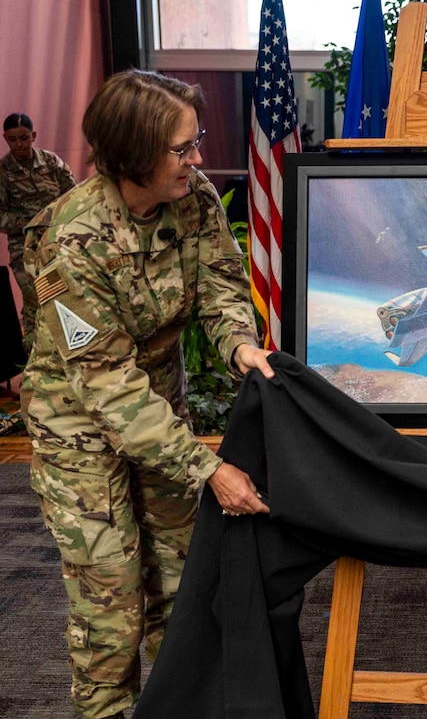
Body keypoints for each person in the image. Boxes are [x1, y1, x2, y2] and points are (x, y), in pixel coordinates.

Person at [20, 70, 274, 719]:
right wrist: (209, 468)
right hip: (79, 422)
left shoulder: (196, 200)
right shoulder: (66, 242)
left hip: (158, 407)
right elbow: (106, 386)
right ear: (134, 154)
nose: (196, 158)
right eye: (182, 148)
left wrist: (239, 344)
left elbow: (220, 286)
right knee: (112, 600)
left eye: (197, 142)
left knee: (180, 588)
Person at [0, 112, 77, 353]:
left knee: (64, 297)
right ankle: (35, 355)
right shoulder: (0, 174)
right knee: (36, 297)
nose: (19, 145)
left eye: (24, 138)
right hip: (24, 248)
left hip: (58, 242)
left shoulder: (51, 163)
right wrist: (31, 223)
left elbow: (73, 197)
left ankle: (62, 353)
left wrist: (58, 222)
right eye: (13, 139)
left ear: (33, 136)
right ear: (5, 139)